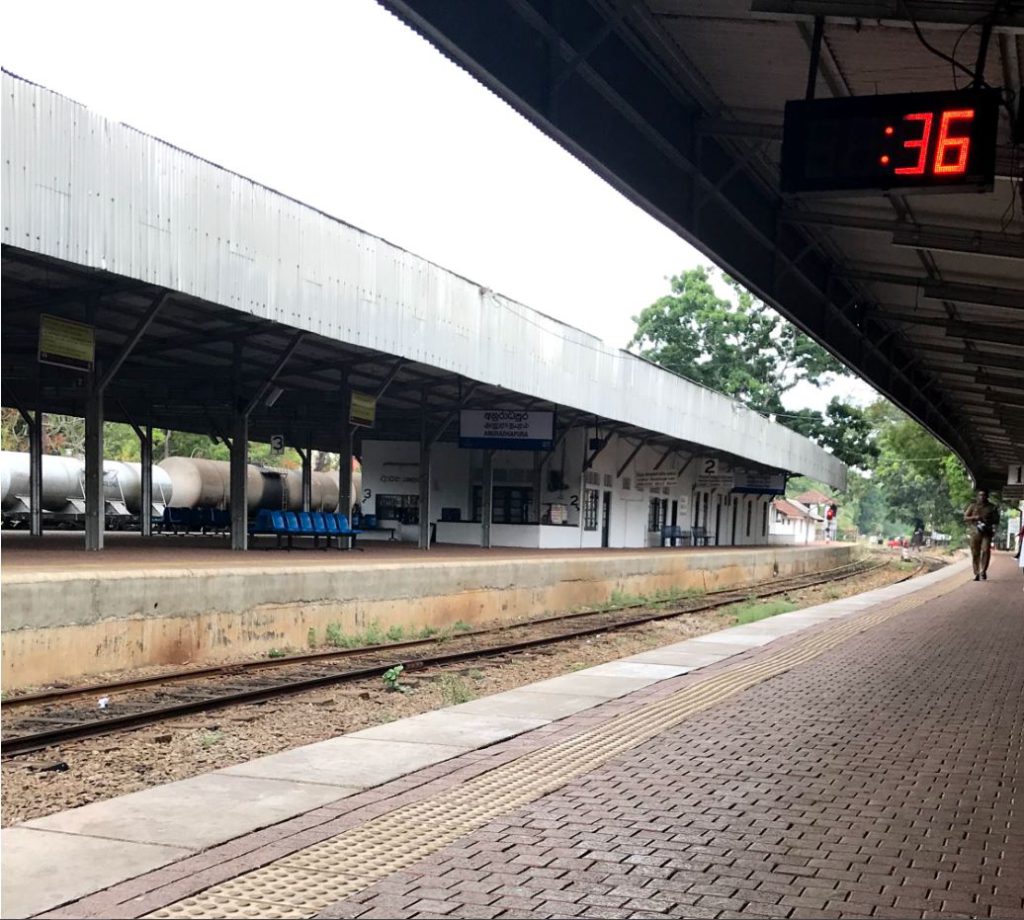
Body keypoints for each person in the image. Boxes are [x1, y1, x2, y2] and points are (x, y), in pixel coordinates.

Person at [963, 489, 999, 581]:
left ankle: (983, 570)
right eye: (980, 495)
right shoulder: (973, 506)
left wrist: (988, 520)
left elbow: (997, 520)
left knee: (985, 550)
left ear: (987, 497)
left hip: (986, 532)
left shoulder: (992, 507)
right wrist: (974, 517)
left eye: (984, 495)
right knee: (975, 552)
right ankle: (977, 573)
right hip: (975, 531)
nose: (982, 497)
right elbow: (965, 517)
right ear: (977, 496)